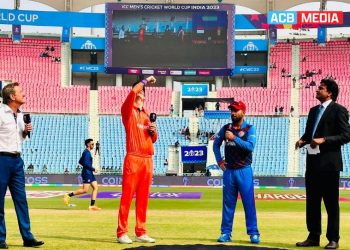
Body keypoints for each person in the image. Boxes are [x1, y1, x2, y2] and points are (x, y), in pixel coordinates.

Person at [295, 78, 350, 249]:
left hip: (329, 165)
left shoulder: (339, 110)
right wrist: (302, 140)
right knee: (312, 202)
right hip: (312, 163)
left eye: (321, 88)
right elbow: (309, 134)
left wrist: (324, 140)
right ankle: (313, 236)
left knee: (331, 203)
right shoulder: (313, 111)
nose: (317, 89)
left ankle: (333, 238)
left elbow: (346, 135)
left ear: (330, 93)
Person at [0, 82, 44, 248]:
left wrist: (25, 131)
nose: (24, 94)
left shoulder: (21, 115)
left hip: (17, 161)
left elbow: (20, 139)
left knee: (21, 200)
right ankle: (0, 238)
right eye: (21, 92)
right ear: (12, 96)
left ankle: (27, 237)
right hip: (1, 159)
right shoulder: (0, 113)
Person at [117, 76, 158, 244]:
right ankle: (121, 233)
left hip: (148, 159)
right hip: (133, 158)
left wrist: (153, 131)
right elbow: (133, 91)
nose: (141, 91)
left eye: (143, 91)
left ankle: (141, 231)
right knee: (127, 196)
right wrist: (145, 80)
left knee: (143, 198)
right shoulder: (128, 110)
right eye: (139, 90)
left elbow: (154, 139)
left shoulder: (148, 115)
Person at [213, 100, 260, 244]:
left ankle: (253, 233)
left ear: (243, 112)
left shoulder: (249, 129)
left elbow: (250, 147)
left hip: (244, 170)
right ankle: (226, 233)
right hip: (229, 172)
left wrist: (234, 138)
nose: (233, 113)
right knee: (228, 203)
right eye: (231, 110)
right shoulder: (225, 127)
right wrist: (220, 161)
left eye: (236, 110)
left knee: (248, 203)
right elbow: (216, 145)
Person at [63, 139, 101, 211]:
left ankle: (92, 206)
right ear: (88, 145)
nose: (93, 145)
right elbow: (86, 164)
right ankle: (68, 195)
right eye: (92, 144)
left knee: (95, 187)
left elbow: (80, 161)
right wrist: (93, 169)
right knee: (85, 190)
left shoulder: (86, 152)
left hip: (89, 173)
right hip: (87, 173)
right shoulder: (86, 153)